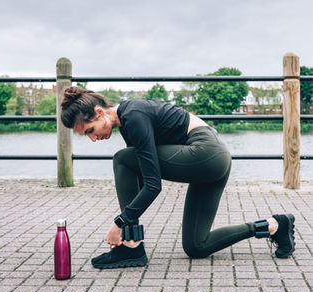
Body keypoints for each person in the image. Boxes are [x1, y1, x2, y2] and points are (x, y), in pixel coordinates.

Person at [60, 86, 296, 269]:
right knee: (196, 246)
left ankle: (132, 247)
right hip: (212, 163)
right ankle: (275, 225)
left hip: (206, 153)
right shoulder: (128, 121)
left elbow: (153, 185)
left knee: (122, 158)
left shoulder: (133, 116)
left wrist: (120, 224)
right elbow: (140, 178)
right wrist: (127, 226)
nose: (93, 138)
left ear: (99, 113)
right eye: (86, 136)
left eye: (90, 130)